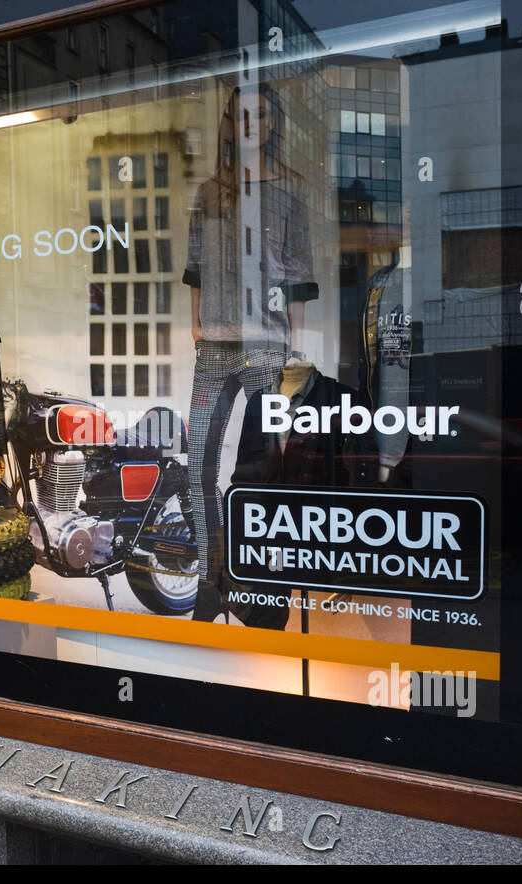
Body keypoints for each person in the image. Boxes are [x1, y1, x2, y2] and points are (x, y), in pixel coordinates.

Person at [182, 83, 318, 622]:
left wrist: (295, 349)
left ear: (274, 121)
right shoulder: (211, 193)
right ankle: (210, 582)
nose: (251, 123)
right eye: (241, 115)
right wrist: (196, 325)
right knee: (198, 469)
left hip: (267, 344)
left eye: (260, 114)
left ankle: (259, 590)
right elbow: (195, 266)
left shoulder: (290, 189)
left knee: (262, 470)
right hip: (214, 346)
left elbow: (301, 273)